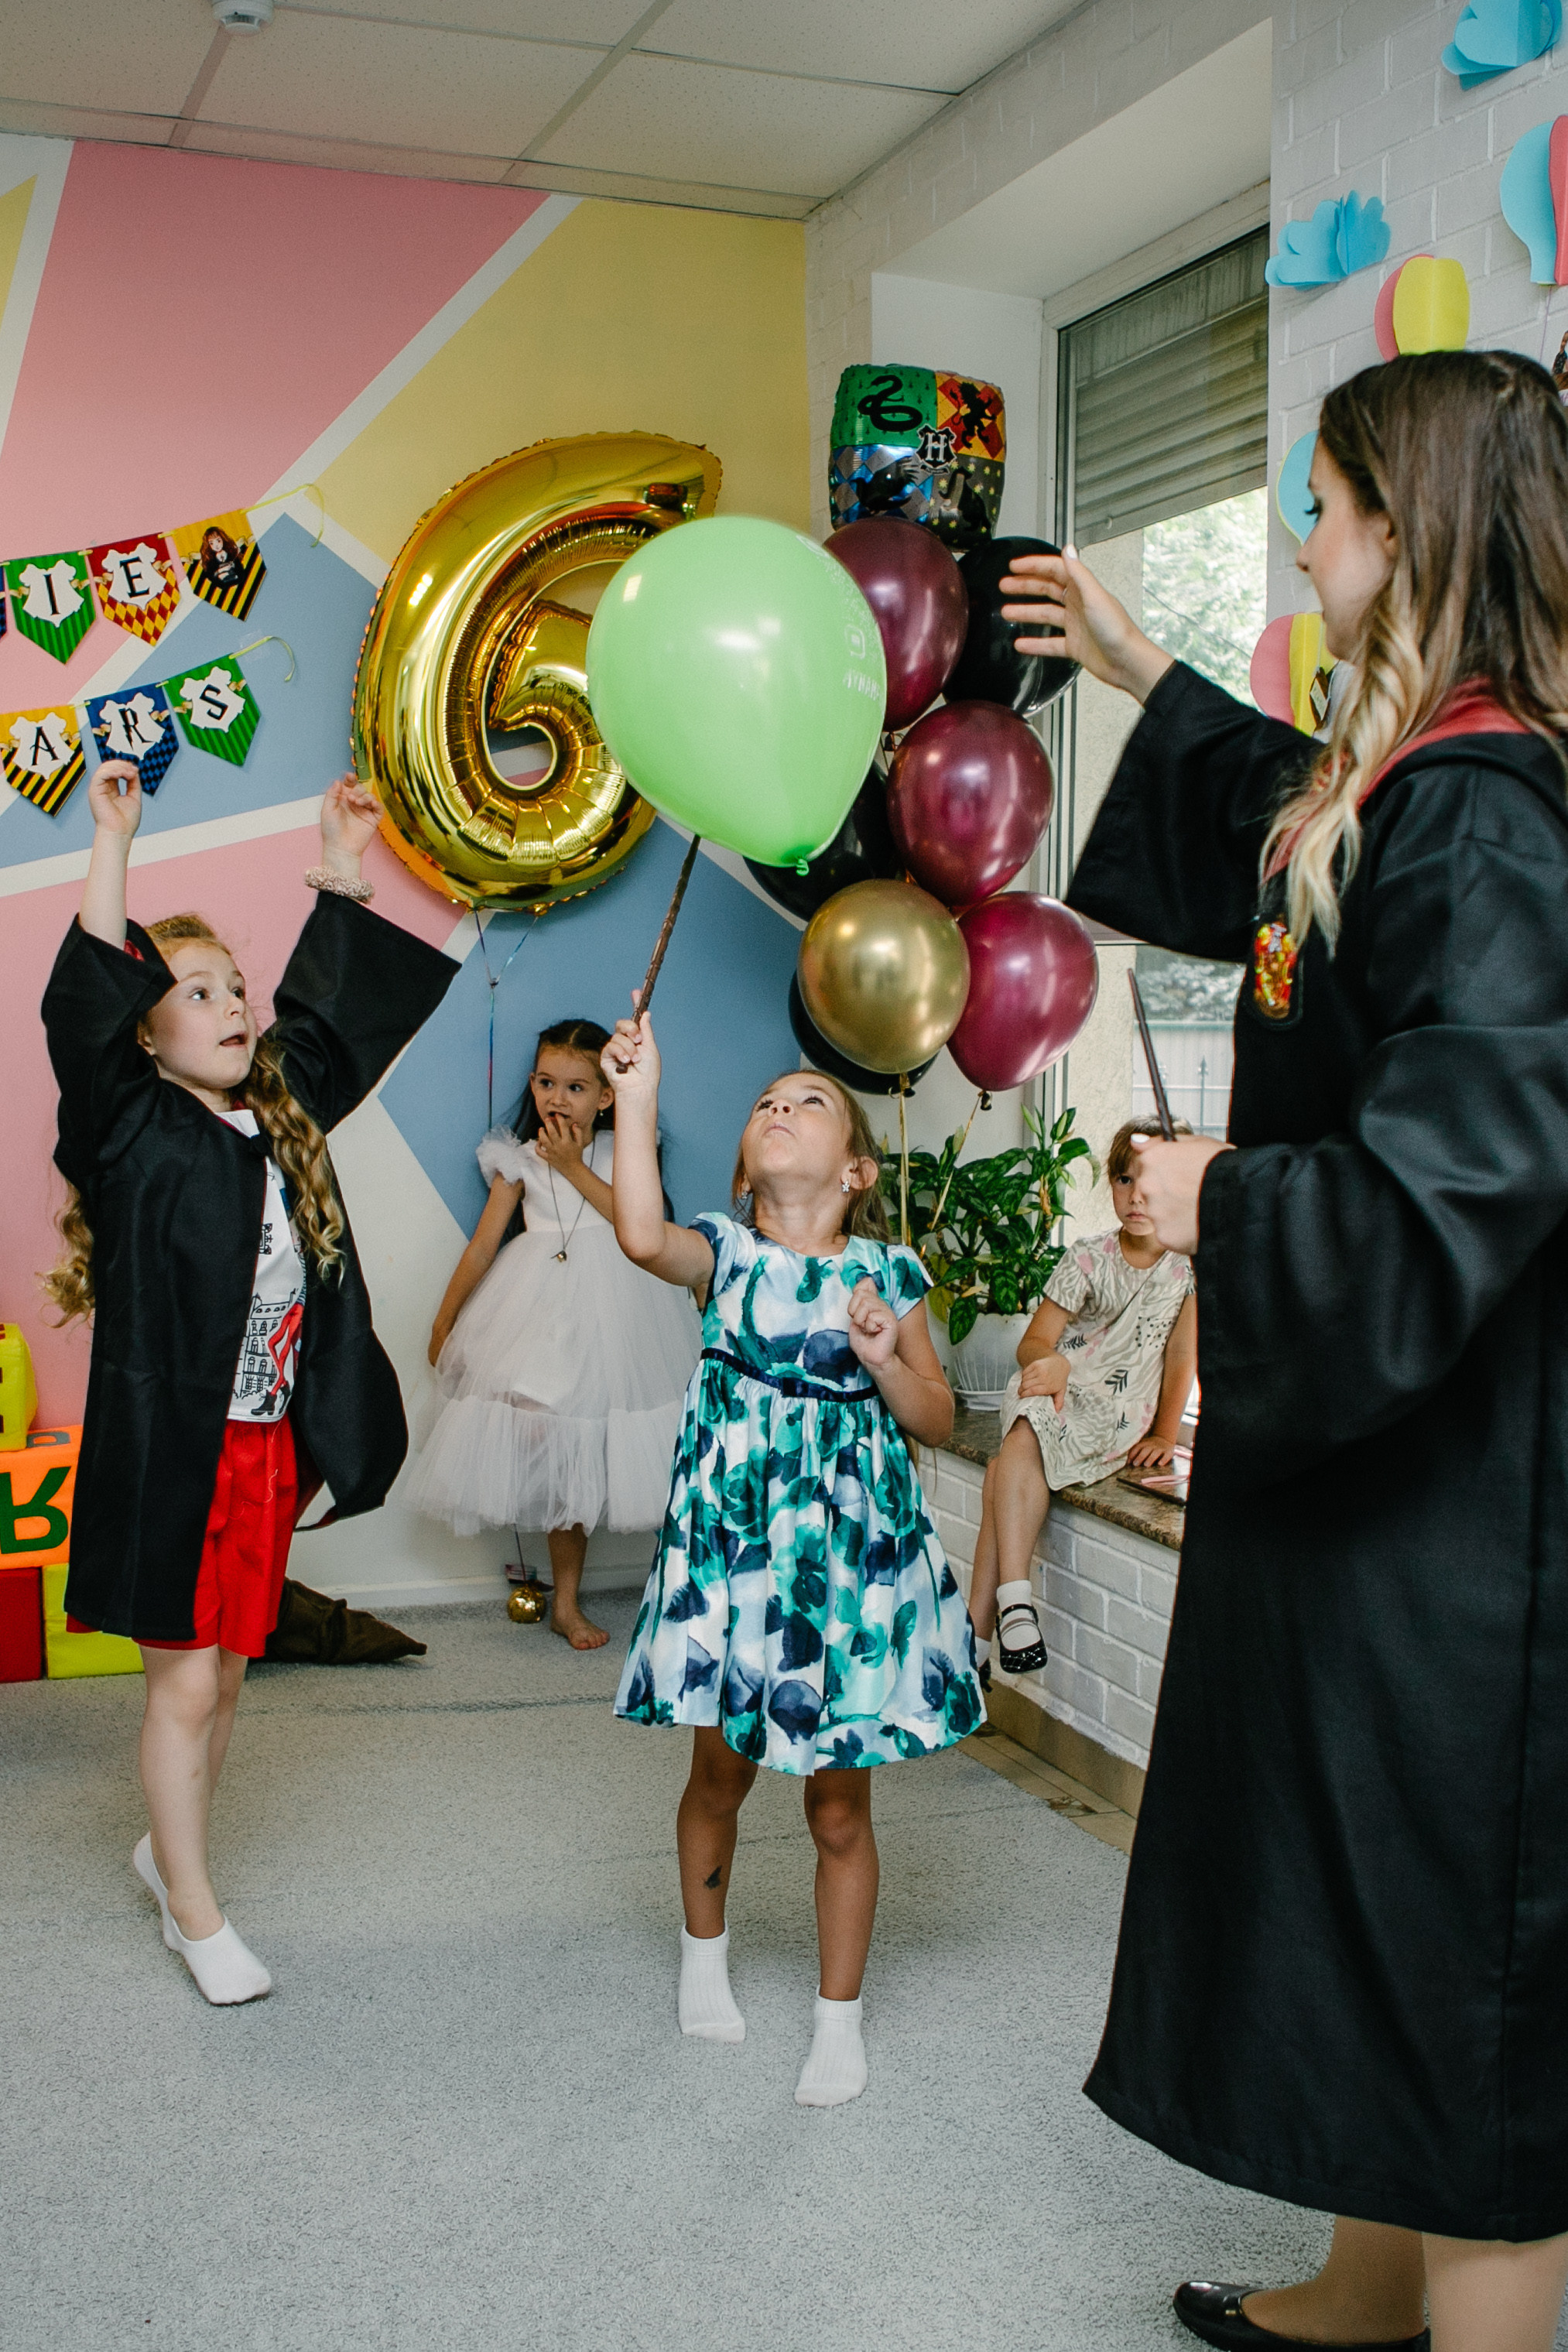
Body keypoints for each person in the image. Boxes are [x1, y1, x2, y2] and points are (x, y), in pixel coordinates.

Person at [1000, 347, 1568, 2352]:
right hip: (1364, 1486)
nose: (1301, 543)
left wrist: (1226, 1189)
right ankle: (1362, 2278)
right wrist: (1149, 670)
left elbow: (1465, 1172)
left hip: (1464, 1512)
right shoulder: (1410, 776)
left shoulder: (1495, 819)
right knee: (1357, 1906)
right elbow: (1290, 825)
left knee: (1466, 1985)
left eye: (1319, 508)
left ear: (1402, 531)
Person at [43, 758, 454, 2004]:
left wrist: (341, 859)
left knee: (227, 1669)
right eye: (194, 993)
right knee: (181, 1675)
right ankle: (194, 1906)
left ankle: (170, 1849)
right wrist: (112, 838)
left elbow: (327, 1021)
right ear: (145, 1030)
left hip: (265, 1438)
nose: (229, 1005)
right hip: (176, 1448)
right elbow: (83, 1006)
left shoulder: (276, 1110)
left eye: (233, 985)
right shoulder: (126, 1124)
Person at [601, 1009, 982, 2107]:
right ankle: (701, 1954)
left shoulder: (887, 1270)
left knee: (836, 1807)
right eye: (767, 1099)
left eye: (809, 1099)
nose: (781, 1104)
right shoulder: (719, 1249)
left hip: (846, 1564)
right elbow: (637, 1232)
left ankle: (837, 2017)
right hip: (734, 1552)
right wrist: (635, 1096)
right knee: (716, 1770)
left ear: (857, 1167)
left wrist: (879, 1355)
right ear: (743, 1159)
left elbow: (936, 1414)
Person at [402, 1017, 700, 1650]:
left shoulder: (625, 1149)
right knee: (559, 1447)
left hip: (624, 1312)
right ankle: (565, 1601)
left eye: (575, 1086)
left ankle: (684, 1590)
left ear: (608, 1096)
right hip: (540, 1313)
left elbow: (639, 1221)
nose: (557, 1098)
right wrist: (444, 1317)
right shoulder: (518, 1159)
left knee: (650, 1443)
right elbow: (485, 1247)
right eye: (546, 1082)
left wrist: (572, 1165)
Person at [968, 1116, 1196, 1683]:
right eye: (1124, 1179)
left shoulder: (1189, 1269)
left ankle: (972, 1638)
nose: (1136, 1195)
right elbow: (1033, 1343)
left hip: (1118, 1413)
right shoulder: (1089, 1255)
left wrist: (1167, 1434)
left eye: (1151, 1182)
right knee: (1028, 1415)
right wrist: (1054, 1363)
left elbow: (1180, 1359)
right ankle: (1016, 1603)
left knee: (1003, 1472)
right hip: (1062, 1388)